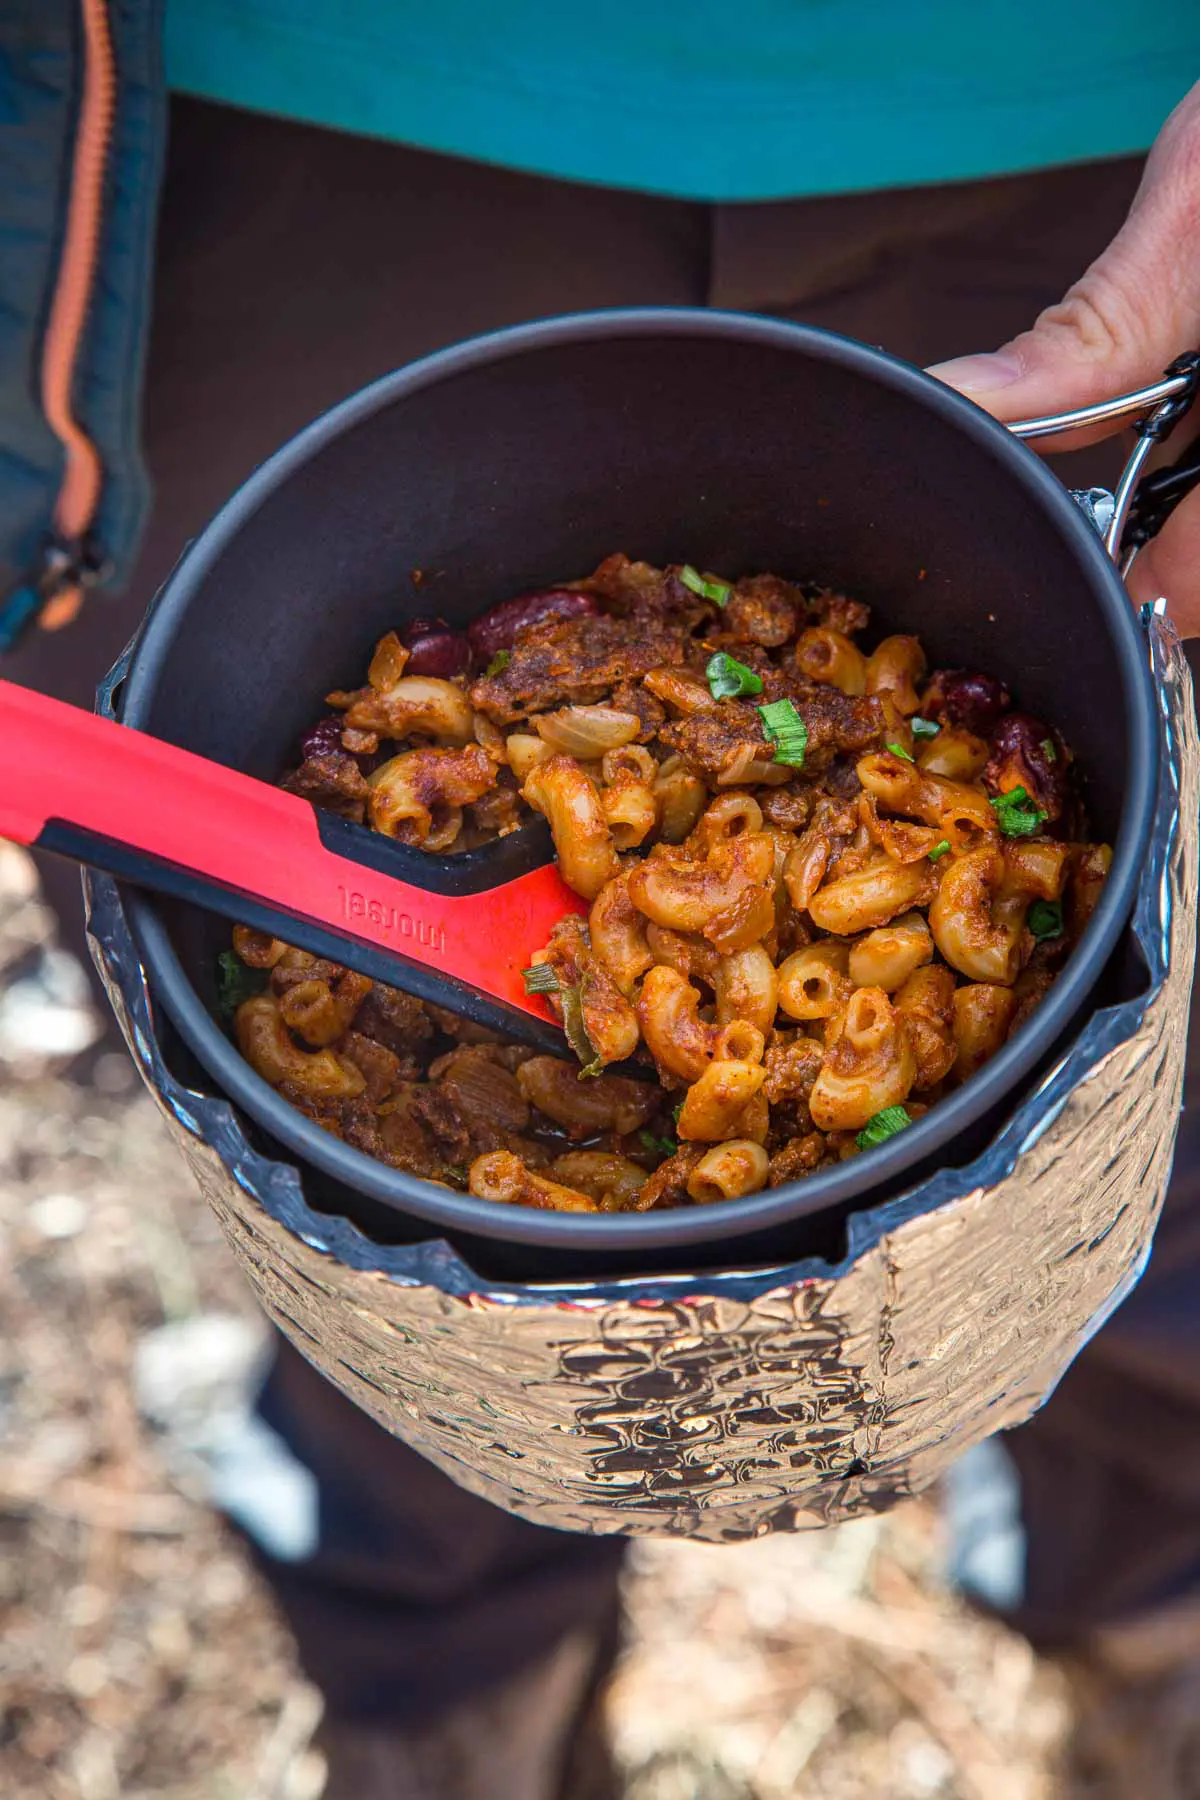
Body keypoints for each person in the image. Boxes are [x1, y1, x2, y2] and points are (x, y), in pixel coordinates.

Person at [2, 6, 1200, 1795]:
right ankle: (454, 1713)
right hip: (219, 165)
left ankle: (1159, 1635)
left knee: (1166, 1168)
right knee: (360, 1246)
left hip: (1081, 164)